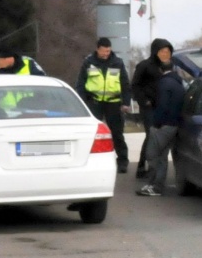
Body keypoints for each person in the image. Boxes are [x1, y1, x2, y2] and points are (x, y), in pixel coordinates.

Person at [75, 37, 132, 173]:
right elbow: (80, 84)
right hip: (94, 102)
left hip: (113, 103)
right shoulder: (89, 63)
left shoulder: (117, 63)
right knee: (91, 132)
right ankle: (87, 160)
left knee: (117, 133)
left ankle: (123, 161)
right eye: (103, 51)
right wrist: (82, 102)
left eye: (108, 51)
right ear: (97, 49)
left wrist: (126, 102)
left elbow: (125, 84)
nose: (106, 54)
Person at [136, 61, 185, 197]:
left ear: (159, 69)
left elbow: (162, 105)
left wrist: (156, 123)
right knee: (162, 156)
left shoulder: (163, 84)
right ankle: (157, 185)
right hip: (174, 125)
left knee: (152, 155)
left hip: (163, 125)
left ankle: (154, 186)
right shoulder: (178, 83)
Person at [131, 38, 174, 178]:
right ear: (155, 51)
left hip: (163, 107)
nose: (165, 54)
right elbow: (135, 85)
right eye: (162, 51)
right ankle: (143, 166)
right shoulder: (144, 65)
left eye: (168, 51)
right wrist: (144, 101)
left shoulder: (169, 66)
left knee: (156, 135)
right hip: (148, 106)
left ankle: (152, 167)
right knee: (151, 134)